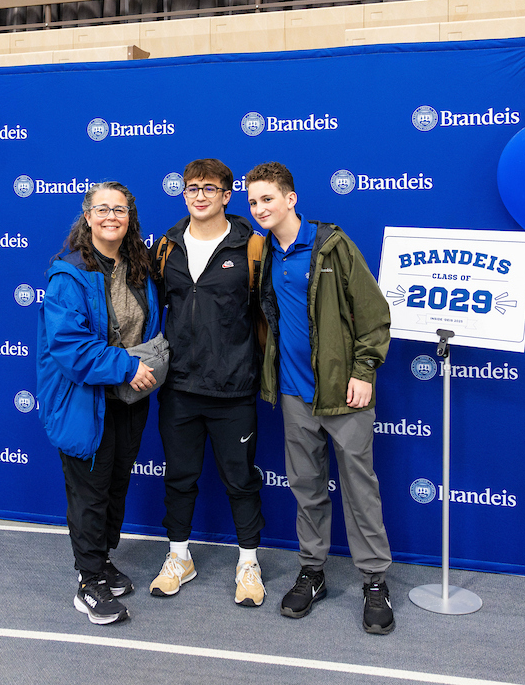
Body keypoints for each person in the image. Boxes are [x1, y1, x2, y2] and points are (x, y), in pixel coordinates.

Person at [245, 161, 395, 634]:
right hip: (293, 395)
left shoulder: (333, 245)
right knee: (306, 489)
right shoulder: (264, 253)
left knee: (359, 488)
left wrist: (364, 370)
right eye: (252, 202)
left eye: (267, 199)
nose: (259, 208)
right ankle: (312, 572)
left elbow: (373, 314)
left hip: (345, 394)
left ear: (291, 199)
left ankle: (374, 581)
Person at [37, 181, 160, 626]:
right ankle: (87, 583)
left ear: (130, 218)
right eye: (102, 209)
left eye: (120, 210)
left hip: (129, 399)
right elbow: (69, 346)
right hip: (83, 401)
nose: (112, 216)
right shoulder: (68, 274)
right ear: (87, 216)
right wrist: (126, 365)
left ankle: (102, 560)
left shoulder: (137, 265)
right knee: (89, 495)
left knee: (114, 488)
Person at [148, 158, 266, 608]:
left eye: (209, 188)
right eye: (191, 187)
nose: (199, 195)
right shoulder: (167, 248)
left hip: (234, 388)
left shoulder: (253, 246)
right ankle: (179, 557)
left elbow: (269, 314)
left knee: (240, 481)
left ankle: (248, 563)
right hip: (179, 389)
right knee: (179, 478)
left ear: (226, 195)